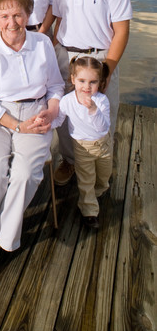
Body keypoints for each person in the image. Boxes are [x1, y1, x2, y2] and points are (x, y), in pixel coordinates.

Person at [0, 0, 64, 288]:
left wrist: (51, 109)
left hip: (35, 112)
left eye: (17, 14)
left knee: (24, 174)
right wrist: (14, 125)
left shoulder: (42, 44)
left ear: (28, 14)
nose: (11, 22)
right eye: (4, 16)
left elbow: (56, 87)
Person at [52, 0, 132, 186]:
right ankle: (70, 160)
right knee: (67, 111)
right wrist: (54, 53)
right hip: (68, 57)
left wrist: (108, 66)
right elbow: (58, 23)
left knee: (101, 113)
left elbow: (121, 31)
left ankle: (102, 163)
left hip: (99, 58)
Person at [52, 57, 111, 229]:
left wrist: (93, 110)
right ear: (73, 80)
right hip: (82, 146)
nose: (86, 87)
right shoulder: (67, 101)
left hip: (103, 144)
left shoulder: (101, 101)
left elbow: (103, 127)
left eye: (92, 82)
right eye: (82, 81)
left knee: (103, 176)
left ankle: (97, 191)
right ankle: (89, 210)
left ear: (100, 83)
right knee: (86, 179)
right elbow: (58, 120)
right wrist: (47, 125)